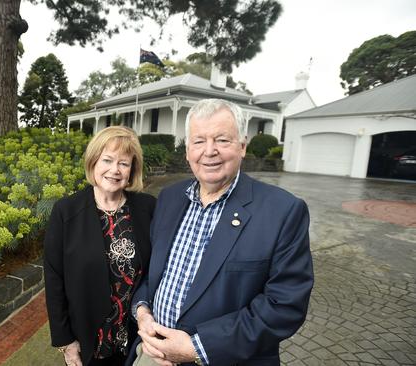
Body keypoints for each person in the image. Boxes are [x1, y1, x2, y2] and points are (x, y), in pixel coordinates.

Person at [129, 99, 314, 366]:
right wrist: (143, 311)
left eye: (222, 140)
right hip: (153, 353)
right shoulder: (169, 199)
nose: (209, 151)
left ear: (242, 146)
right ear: (187, 150)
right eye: (199, 141)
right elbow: (153, 274)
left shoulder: (282, 212)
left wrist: (196, 348)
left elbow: (284, 305)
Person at [44, 126, 157, 366]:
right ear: (94, 162)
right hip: (87, 339)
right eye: (107, 160)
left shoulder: (148, 208)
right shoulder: (66, 211)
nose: (114, 170)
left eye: (123, 163)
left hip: (135, 338)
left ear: (131, 170)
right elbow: (54, 280)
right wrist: (65, 341)